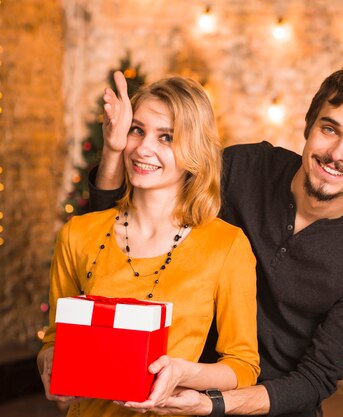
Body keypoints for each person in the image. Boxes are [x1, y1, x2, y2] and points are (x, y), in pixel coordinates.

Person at [90, 61, 343, 417]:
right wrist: (114, 150)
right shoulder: (241, 169)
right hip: (177, 386)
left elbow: (316, 377)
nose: (338, 154)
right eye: (330, 129)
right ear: (308, 126)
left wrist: (213, 405)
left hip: (271, 408)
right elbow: (125, 225)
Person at [38, 75, 260, 417]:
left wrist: (186, 374)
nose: (143, 148)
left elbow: (242, 365)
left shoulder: (227, 246)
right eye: (137, 130)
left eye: (166, 137)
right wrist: (49, 363)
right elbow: (53, 340)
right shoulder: (77, 234)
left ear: (194, 152)